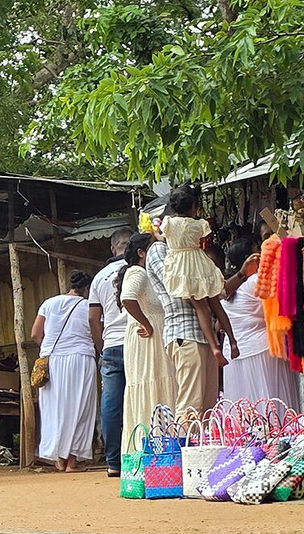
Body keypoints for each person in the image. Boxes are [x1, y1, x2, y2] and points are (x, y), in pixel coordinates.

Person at [147, 194, 220, 420]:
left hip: (203, 335)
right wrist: (201, 296)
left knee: (208, 405)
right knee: (191, 405)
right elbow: (178, 287)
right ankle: (184, 442)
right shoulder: (159, 251)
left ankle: (203, 443)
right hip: (184, 332)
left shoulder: (190, 252)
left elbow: (212, 291)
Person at [159, 185, 239, 366]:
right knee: (216, 305)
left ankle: (214, 347)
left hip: (182, 268)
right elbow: (203, 241)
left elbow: (162, 236)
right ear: (194, 206)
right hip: (200, 263)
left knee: (201, 308)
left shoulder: (169, 223)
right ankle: (233, 341)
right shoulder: (200, 224)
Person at [221, 238, 303, 409]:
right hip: (262, 350)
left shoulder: (227, 287)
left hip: (234, 354)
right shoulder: (256, 281)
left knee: (245, 406)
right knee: (271, 401)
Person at [31, 270, 98, 472]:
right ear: (87, 288)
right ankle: (72, 462)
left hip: (53, 361)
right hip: (81, 359)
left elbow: (35, 334)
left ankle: (58, 458)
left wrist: (50, 348)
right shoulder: (88, 306)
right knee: (79, 409)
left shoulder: (49, 303)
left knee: (54, 409)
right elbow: (96, 330)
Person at [116, 233, 177, 445]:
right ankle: (153, 445)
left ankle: (165, 444)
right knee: (153, 385)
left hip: (155, 337)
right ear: (142, 253)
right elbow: (127, 298)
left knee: (161, 386)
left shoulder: (150, 274)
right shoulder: (137, 272)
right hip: (147, 339)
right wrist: (147, 324)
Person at [88, 227, 134, 478]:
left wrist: (101, 347)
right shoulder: (138, 269)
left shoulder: (99, 277)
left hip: (111, 345)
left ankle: (113, 461)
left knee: (111, 403)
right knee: (140, 396)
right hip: (138, 340)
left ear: (112, 248)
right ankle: (142, 456)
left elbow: (93, 318)